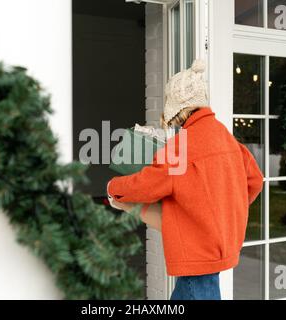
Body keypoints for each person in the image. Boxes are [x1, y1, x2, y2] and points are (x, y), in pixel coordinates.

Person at [106, 59, 263, 300]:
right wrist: (227, 211)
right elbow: (255, 181)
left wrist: (114, 187)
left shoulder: (183, 146)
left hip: (197, 252)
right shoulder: (227, 138)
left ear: (180, 109)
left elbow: (148, 184)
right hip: (218, 246)